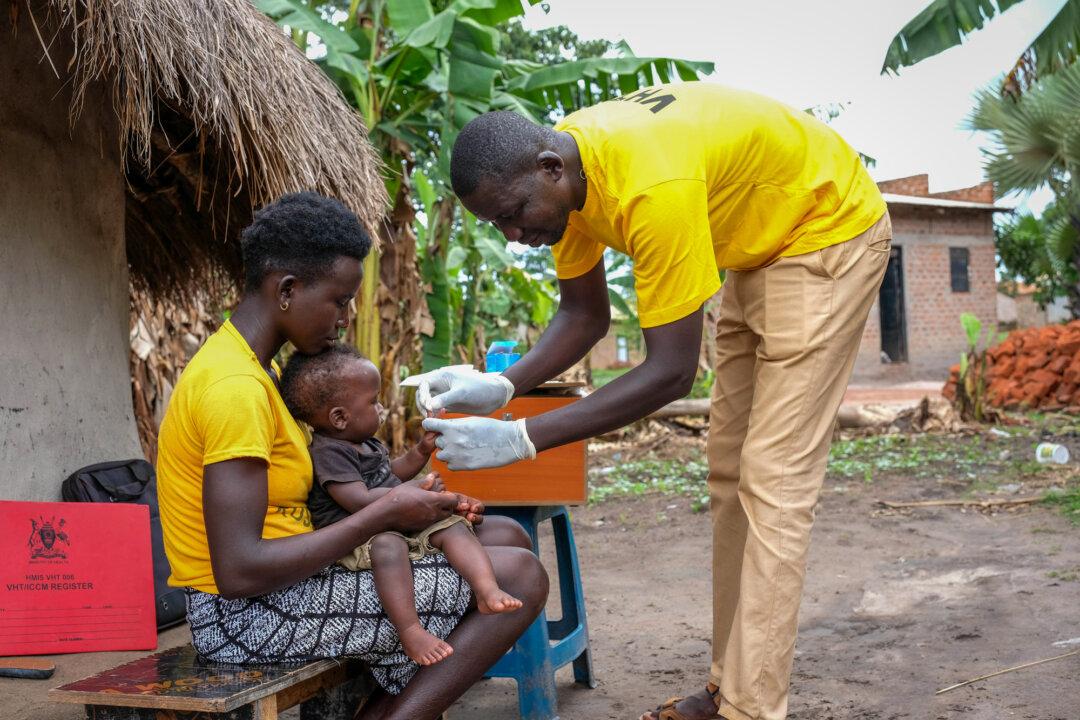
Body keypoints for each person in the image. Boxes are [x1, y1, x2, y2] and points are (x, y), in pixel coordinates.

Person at [412, 83, 891, 720]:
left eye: (514, 212)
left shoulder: (649, 186)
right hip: (756, 251)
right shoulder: (569, 172)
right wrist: (504, 385)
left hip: (828, 232)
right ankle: (729, 688)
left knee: (774, 481)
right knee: (729, 473)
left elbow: (670, 374)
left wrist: (523, 439)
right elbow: (584, 316)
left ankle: (752, 709)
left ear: (549, 169)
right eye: (497, 222)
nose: (513, 231)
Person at [156, 191, 548, 720]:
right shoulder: (235, 388)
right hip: (244, 616)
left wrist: (405, 501)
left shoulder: (258, 372)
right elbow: (239, 572)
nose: (344, 319)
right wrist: (383, 514)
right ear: (288, 291)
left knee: (505, 536)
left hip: (282, 589)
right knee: (521, 573)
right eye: (339, 301)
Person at [278, 345, 523, 667]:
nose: (381, 408)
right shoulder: (329, 452)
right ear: (340, 417)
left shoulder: (363, 441)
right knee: (389, 547)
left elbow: (389, 474)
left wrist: (421, 452)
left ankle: (486, 590)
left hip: (393, 519)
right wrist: (409, 494)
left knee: (454, 527)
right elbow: (359, 501)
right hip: (358, 538)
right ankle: (410, 631)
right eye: (373, 402)